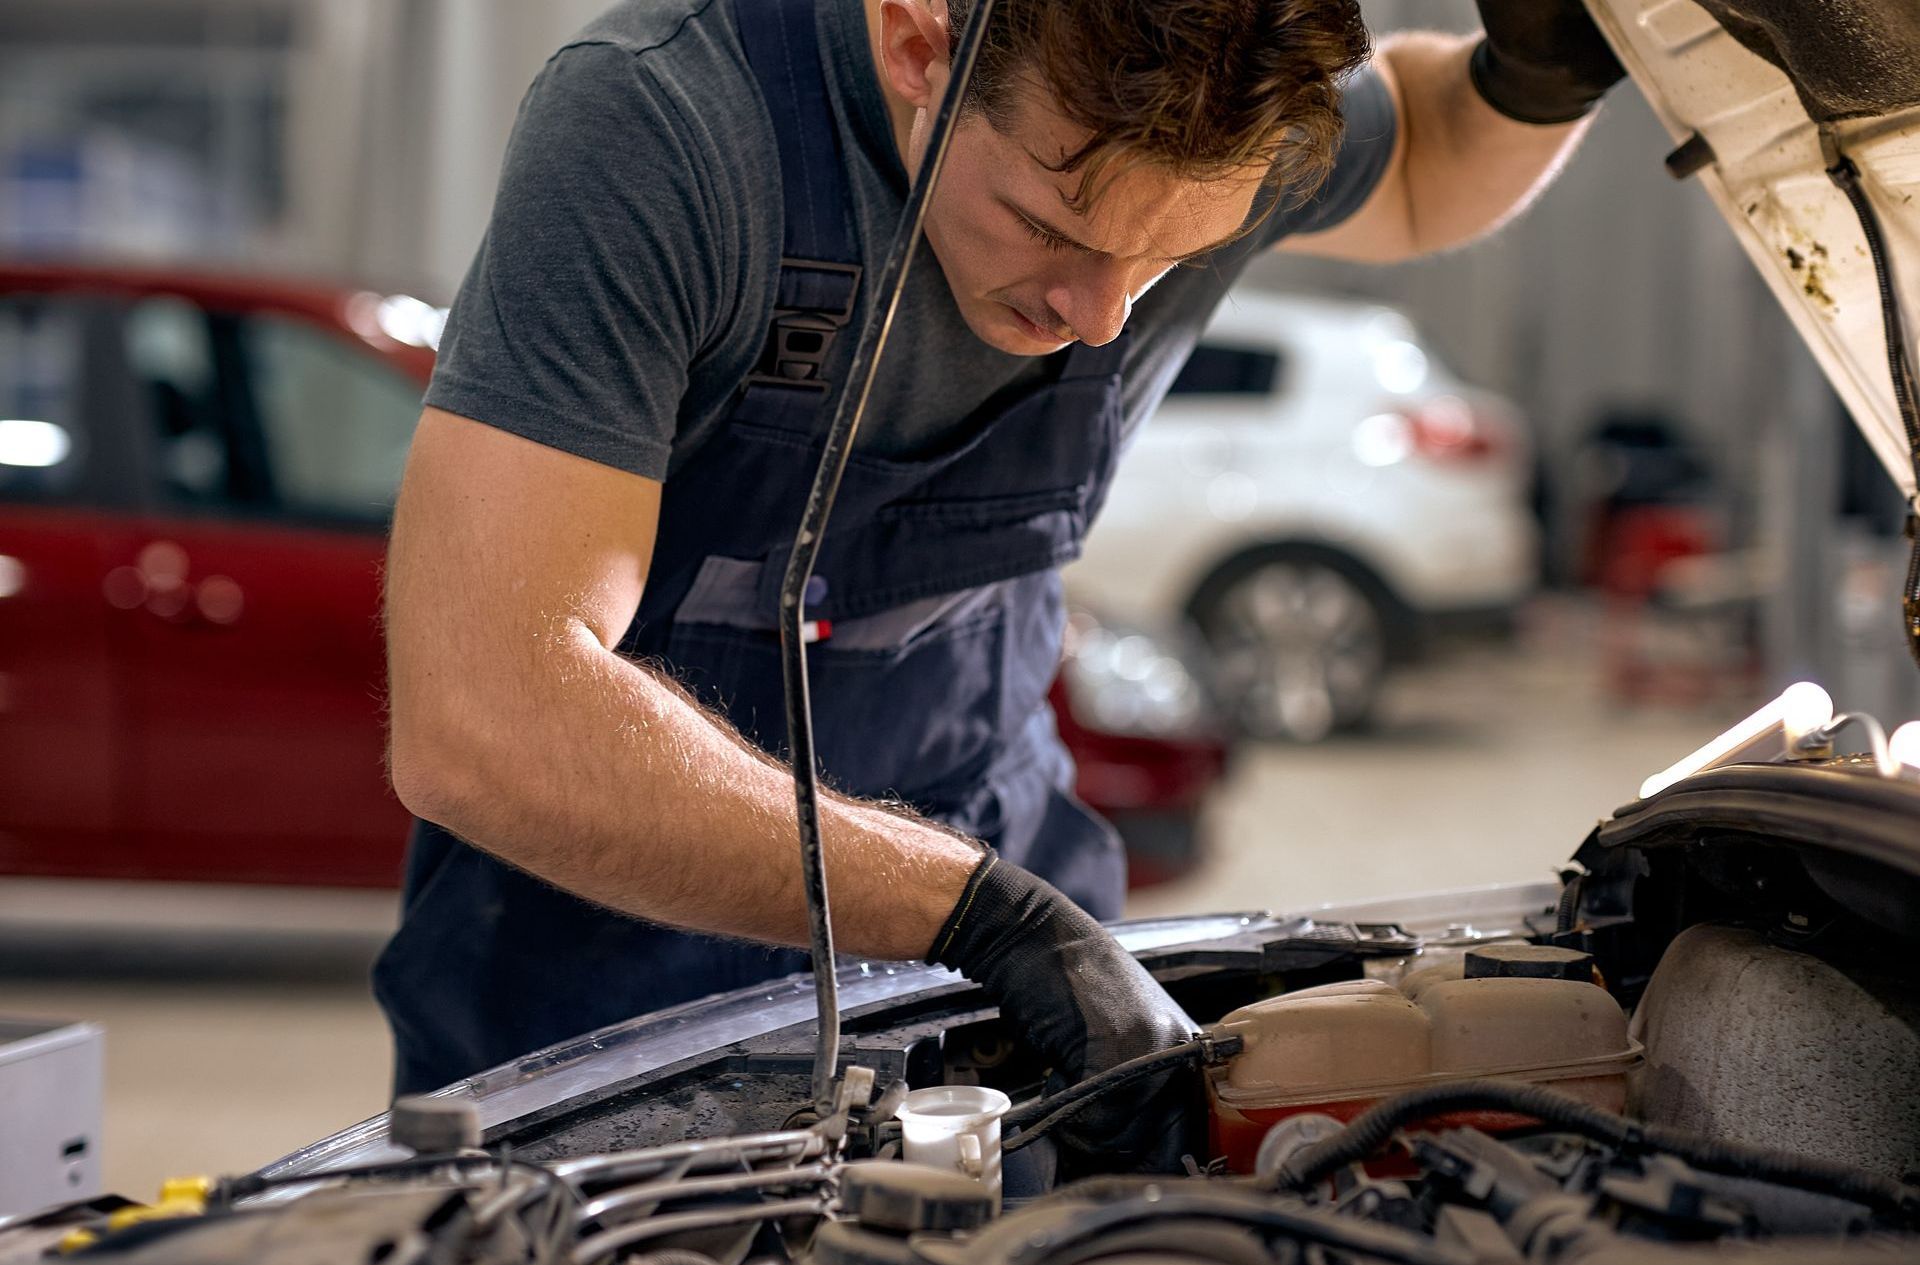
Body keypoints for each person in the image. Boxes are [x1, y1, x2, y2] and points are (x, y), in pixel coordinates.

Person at [376, 0, 1623, 1161]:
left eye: (1167, 258)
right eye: (1051, 231)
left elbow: (1416, 160)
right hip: (608, 1047)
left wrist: (1543, 78)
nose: (1099, 319)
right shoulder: (666, 132)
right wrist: (980, 912)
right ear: (920, 40)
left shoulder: (1196, 124)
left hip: (1012, 1008)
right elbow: (491, 715)